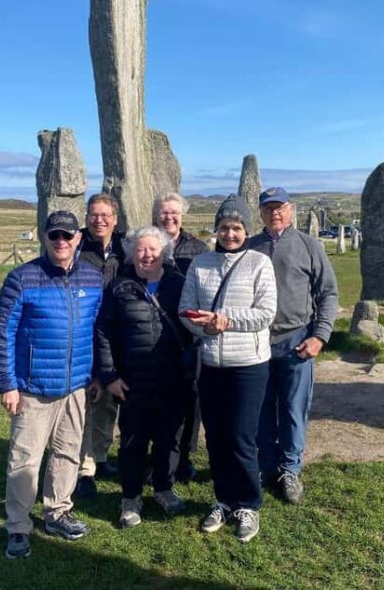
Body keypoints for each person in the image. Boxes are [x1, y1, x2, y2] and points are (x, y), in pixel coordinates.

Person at [0, 210, 104, 559]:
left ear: (78, 239)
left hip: (76, 387)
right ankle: (18, 527)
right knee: (25, 460)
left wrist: (97, 374)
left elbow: (98, 331)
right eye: (54, 235)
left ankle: (57, 512)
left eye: (67, 236)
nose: (61, 242)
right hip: (32, 388)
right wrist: (7, 384)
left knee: (68, 454)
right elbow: (1, 334)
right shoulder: (22, 278)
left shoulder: (93, 277)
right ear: (44, 238)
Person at [179, 195, 277, 543]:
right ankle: (223, 499)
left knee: (240, 437)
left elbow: (266, 313)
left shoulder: (259, 264)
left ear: (246, 230)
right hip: (212, 363)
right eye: (223, 227)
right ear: (215, 229)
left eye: (236, 228)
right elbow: (185, 310)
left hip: (248, 365)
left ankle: (248, 503)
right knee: (217, 437)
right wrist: (203, 327)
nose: (229, 234)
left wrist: (226, 321)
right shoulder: (201, 264)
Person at [95, 226, 191, 528]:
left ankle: (164, 488)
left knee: (169, 441)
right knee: (133, 443)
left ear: (164, 252)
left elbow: (193, 330)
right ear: (130, 252)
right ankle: (131, 497)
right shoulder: (119, 288)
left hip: (173, 379)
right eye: (140, 249)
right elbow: (103, 332)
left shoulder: (180, 284)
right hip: (132, 381)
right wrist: (109, 375)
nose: (147, 255)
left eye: (153, 249)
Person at [248, 187, 338, 506]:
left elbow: (328, 293)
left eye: (280, 207)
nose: (274, 212)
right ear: (260, 212)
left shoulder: (308, 245)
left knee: (293, 408)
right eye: (268, 207)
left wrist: (320, 336)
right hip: (256, 342)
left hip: (296, 339)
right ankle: (265, 465)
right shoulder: (249, 247)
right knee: (260, 409)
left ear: (291, 210)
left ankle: (290, 469)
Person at [152, 192, 209, 482]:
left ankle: (185, 456)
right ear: (156, 215)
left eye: (174, 212)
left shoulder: (198, 248)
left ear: (182, 216)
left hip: (189, 334)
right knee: (157, 399)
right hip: (154, 335)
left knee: (191, 400)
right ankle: (159, 457)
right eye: (163, 212)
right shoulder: (148, 244)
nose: (169, 217)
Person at [75, 193, 126, 499]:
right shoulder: (77, 247)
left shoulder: (124, 249)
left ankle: (102, 457)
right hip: (84, 334)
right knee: (85, 404)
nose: (99, 220)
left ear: (115, 219)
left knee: (108, 402)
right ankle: (84, 469)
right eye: (94, 214)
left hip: (115, 336)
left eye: (105, 215)